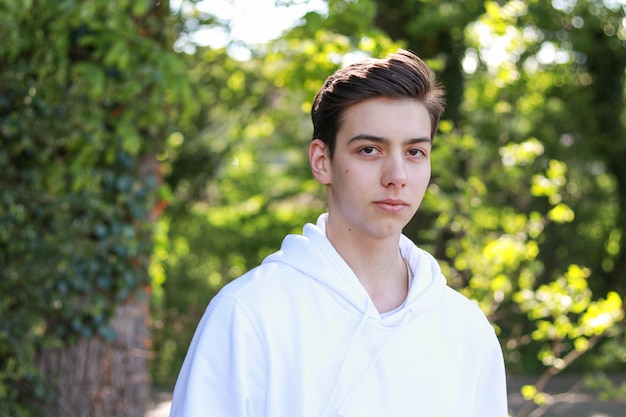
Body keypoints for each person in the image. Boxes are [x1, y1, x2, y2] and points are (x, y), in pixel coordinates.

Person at [169, 49, 508, 417]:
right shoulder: (248, 314)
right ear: (322, 161)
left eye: (414, 152)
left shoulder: (465, 329)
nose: (396, 175)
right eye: (369, 149)